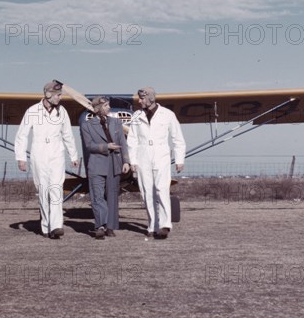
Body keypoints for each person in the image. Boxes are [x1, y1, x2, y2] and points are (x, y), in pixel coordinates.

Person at [14, 80, 79, 239]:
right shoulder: (32, 111)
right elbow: (22, 135)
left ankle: (57, 226)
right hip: (39, 154)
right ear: (48, 95)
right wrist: (21, 158)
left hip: (56, 154)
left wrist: (74, 155)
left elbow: (67, 135)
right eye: (57, 95)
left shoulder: (62, 111)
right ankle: (46, 226)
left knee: (56, 188)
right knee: (43, 190)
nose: (60, 98)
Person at [127, 87, 186, 239]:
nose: (139, 101)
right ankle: (152, 225)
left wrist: (179, 160)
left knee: (161, 189)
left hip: (161, 156)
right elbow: (132, 140)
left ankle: (165, 225)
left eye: (142, 98)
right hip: (142, 157)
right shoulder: (136, 116)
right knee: (147, 192)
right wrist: (132, 160)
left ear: (151, 98)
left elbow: (178, 139)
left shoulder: (167, 115)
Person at [80, 96, 130, 240]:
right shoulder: (87, 126)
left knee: (113, 197)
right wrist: (106, 147)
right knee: (97, 196)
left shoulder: (116, 122)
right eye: (106, 105)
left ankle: (110, 227)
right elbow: (89, 146)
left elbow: (123, 143)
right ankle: (100, 226)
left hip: (115, 164)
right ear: (98, 108)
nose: (109, 107)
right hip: (96, 164)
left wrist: (126, 161)